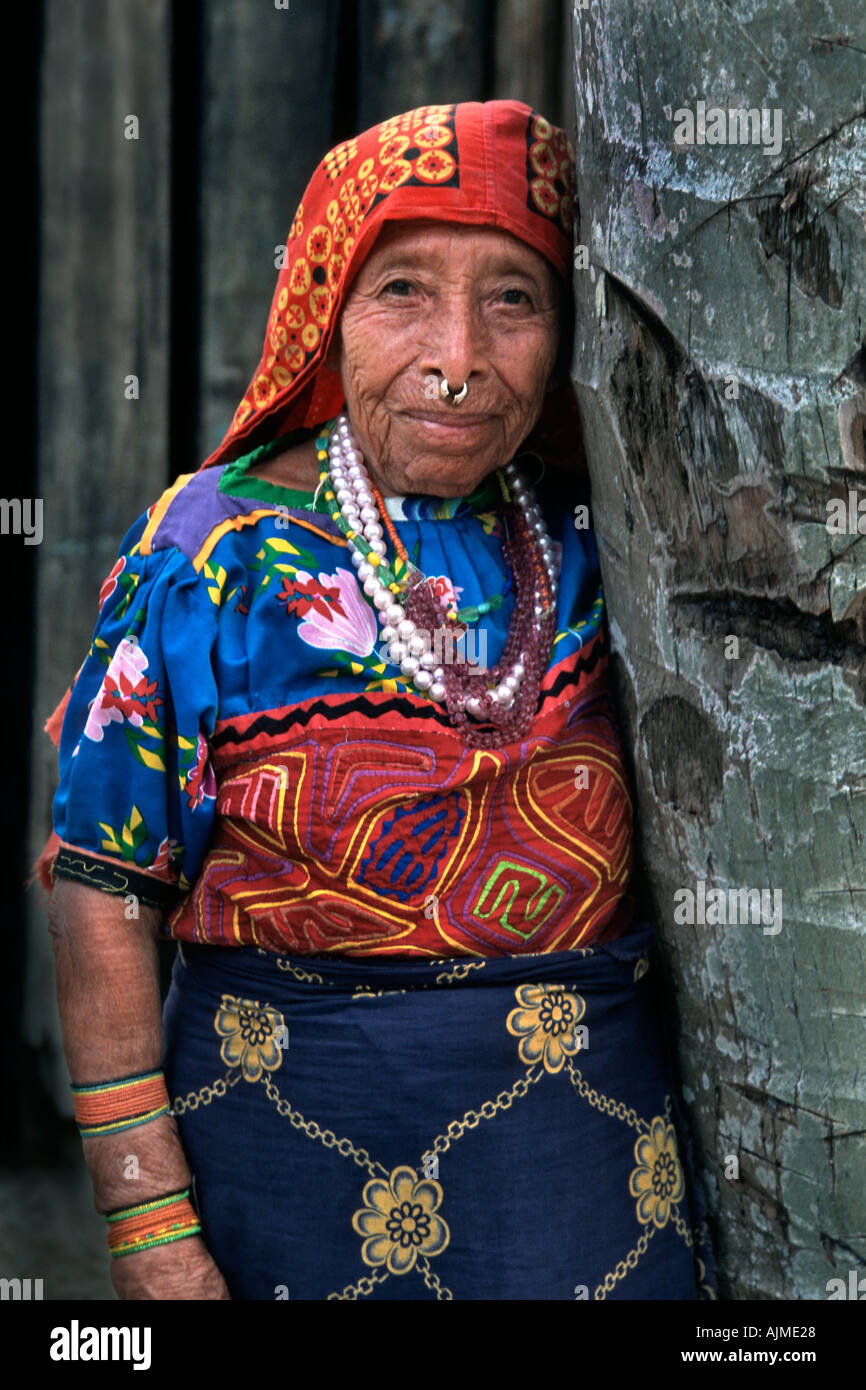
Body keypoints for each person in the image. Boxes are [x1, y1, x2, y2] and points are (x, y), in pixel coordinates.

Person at [42, 99, 715, 1300]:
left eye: (513, 296)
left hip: (580, 1179)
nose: (457, 357)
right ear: (324, 309)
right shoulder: (214, 553)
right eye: (402, 289)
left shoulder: (598, 526)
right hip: (279, 1173)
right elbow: (103, 885)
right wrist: (146, 1225)